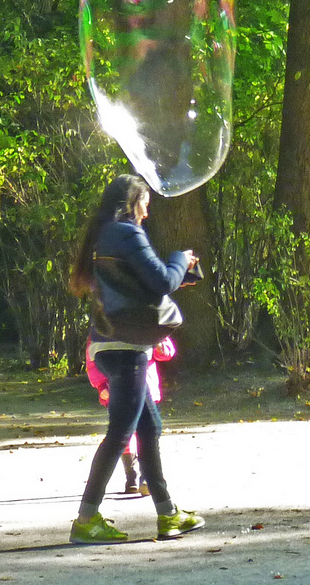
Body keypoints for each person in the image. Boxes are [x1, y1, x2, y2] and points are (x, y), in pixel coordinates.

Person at [67, 174, 204, 544]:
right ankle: (86, 520)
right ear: (133, 201)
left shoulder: (105, 235)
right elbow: (161, 281)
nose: (148, 211)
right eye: (145, 202)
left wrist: (176, 276)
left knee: (149, 426)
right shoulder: (126, 232)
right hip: (125, 348)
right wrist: (180, 260)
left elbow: (135, 283)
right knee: (120, 433)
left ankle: (169, 514)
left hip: (112, 345)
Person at [86, 334, 176, 495]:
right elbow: (92, 357)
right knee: (124, 434)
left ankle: (147, 477)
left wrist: (160, 346)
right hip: (117, 389)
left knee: (148, 432)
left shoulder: (147, 325)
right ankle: (131, 475)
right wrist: (101, 386)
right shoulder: (106, 324)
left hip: (146, 387)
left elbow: (167, 351)